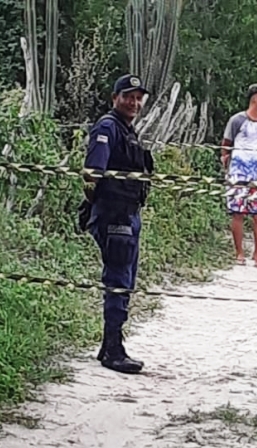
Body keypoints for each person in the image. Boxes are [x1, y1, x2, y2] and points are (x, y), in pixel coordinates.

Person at [83, 74, 153, 374]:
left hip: (128, 212)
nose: (134, 103)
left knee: (126, 279)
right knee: (118, 280)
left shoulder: (128, 130)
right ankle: (113, 350)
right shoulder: (108, 127)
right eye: (128, 96)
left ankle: (109, 345)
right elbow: (91, 174)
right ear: (115, 98)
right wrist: (101, 207)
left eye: (138, 98)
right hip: (115, 215)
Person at [221, 84, 257, 269]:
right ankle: (239, 253)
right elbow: (226, 143)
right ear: (256, 98)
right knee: (238, 213)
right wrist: (226, 162)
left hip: (256, 175)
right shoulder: (237, 120)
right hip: (237, 174)